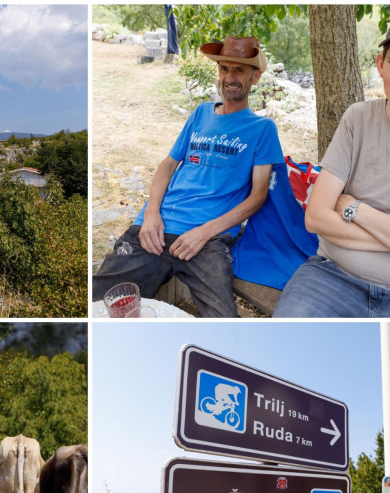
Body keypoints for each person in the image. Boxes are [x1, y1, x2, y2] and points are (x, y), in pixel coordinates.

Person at [93, 36, 284, 317]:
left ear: (255, 77)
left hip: (208, 240)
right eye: (224, 69)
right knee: (100, 304)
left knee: (222, 320)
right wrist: (151, 214)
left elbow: (258, 196)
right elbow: (168, 165)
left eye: (239, 71)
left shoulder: (262, 128)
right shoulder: (200, 113)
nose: (229, 78)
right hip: (156, 228)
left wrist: (205, 232)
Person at [274, 14, 390, 317]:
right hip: (332, 276)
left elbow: (333, 214)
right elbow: (317, 218)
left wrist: (355, 210)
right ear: (380, 65)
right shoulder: (357, 119)